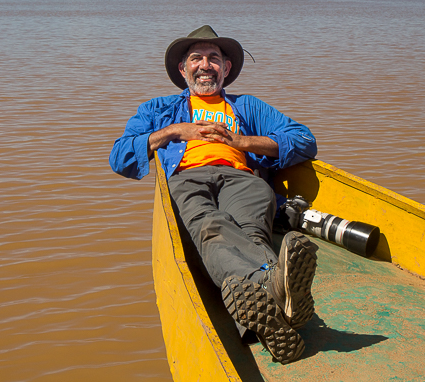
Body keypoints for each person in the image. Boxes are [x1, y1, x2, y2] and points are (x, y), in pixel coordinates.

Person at [110, 25, 319, 364]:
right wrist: (175, 131)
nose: (205, 65)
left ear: (227, 68)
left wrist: (242, 142)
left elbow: (304, 140)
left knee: (249, 230)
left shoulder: (248, 107)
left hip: (243, 178)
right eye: (196, 58)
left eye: (213, 58)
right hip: (187, 179)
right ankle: (275, 290)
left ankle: (265, 313)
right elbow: (120, 157)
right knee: (212, 225)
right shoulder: (158, 109)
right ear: (183, 70)